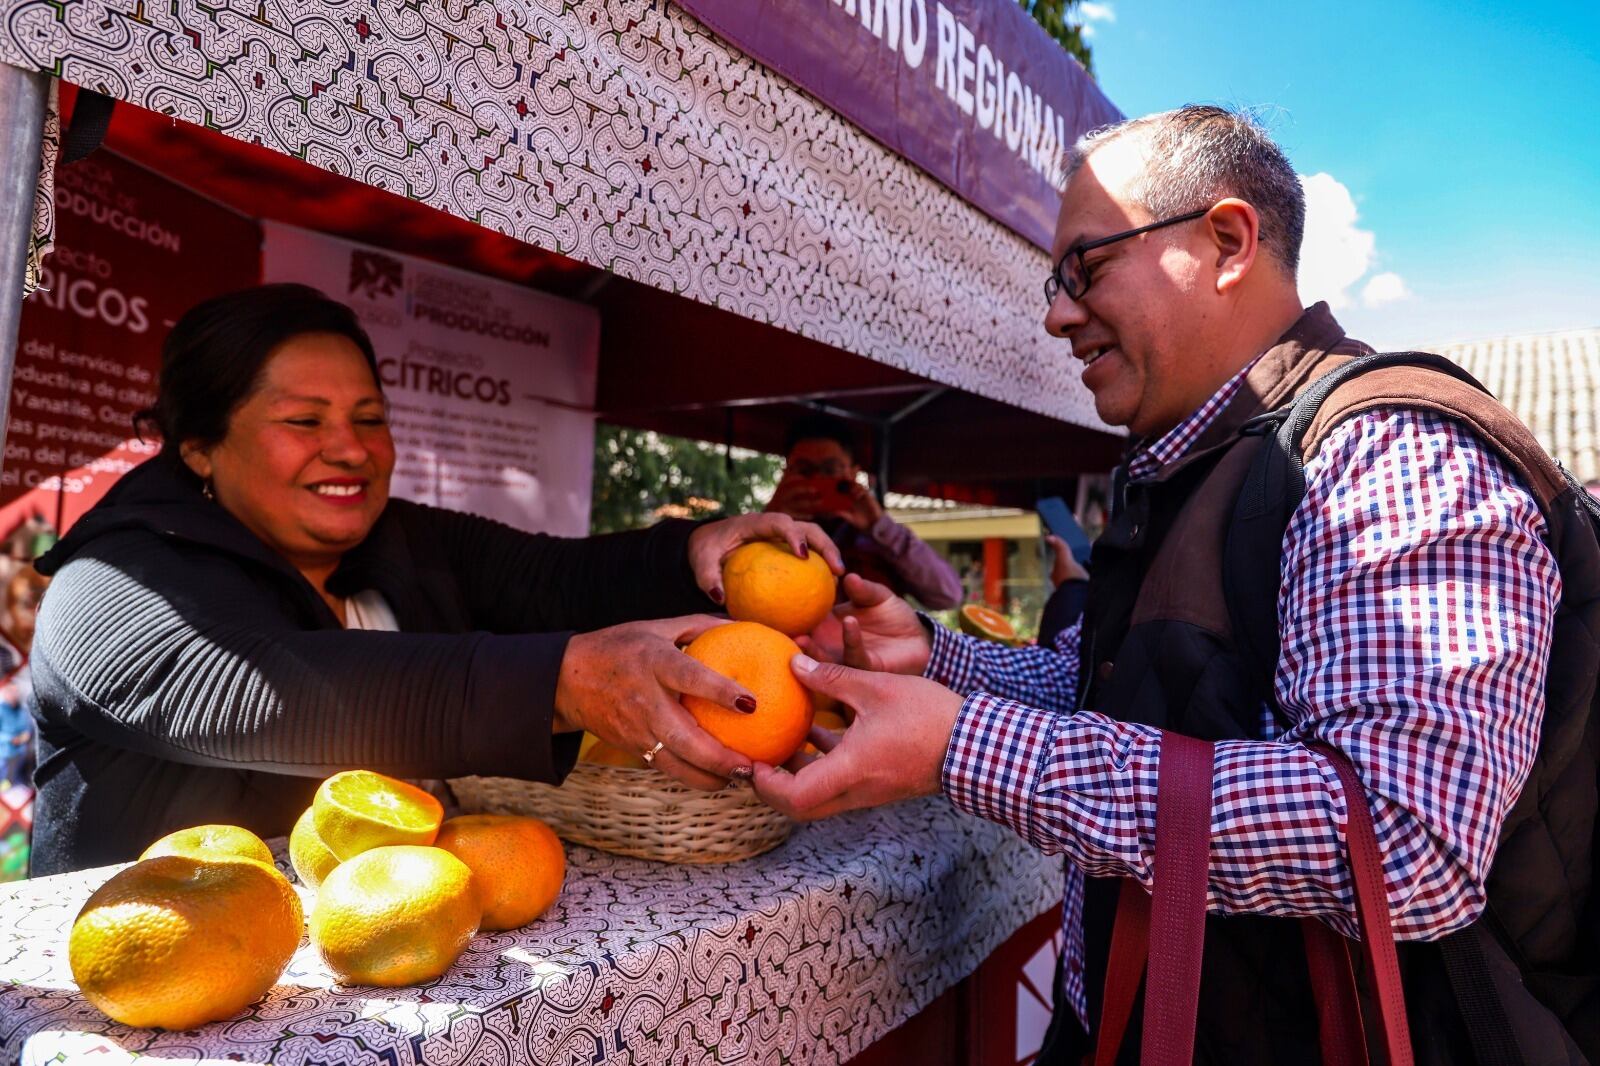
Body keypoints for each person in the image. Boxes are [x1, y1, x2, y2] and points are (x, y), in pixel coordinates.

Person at [756, 106, 1593, 1063]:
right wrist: (933, 655)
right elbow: (1119, 693)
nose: (1056, 313)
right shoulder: (1196, 464)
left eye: (1085, 268)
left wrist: (963, 745)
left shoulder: (1386, 451)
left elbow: (1404, 841)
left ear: (1226, 241)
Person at [28, 283, 842, 877]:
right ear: (199, 447)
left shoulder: (403, 537)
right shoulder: (110, 575)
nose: (351, 450)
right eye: (304, 422)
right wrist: (563, 683)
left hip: (395, 942)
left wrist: (696, 553)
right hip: (148, 990)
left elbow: (556, 578)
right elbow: (259, 688)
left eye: (370, 419)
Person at [764, 415, 960, 609]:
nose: (818, 480)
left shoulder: (882, 540)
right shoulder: (770, 536)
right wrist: (770, 521)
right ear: (785, 475)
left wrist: (881, 526)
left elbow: (948, 595)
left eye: (830, 470)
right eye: (804, 470)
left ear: (853, 473)